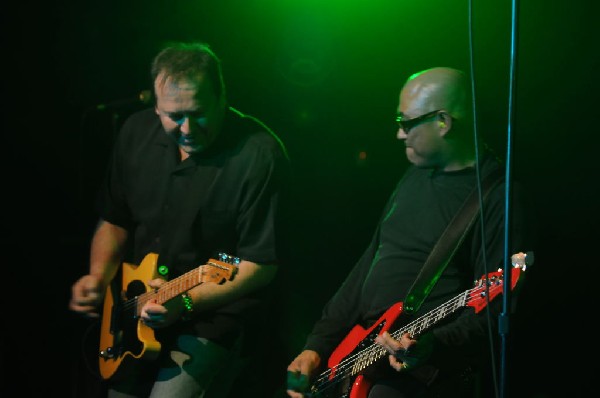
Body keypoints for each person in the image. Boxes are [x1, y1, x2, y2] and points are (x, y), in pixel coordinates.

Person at [286, 67, 530, 398]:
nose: (400, 135)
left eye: (406, 123)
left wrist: (432, 345)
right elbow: (369, 264)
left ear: (443, 122)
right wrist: (318, 344)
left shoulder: (497, 195)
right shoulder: (414, 175)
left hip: (422, 374)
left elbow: (495, 311)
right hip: (360, 354)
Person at [69, 41, 290, 398]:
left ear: (222, 99)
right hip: (134, 312)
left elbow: (261, 263)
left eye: (198, 112)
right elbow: (114, 219)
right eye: (174, 116)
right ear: (155, 107)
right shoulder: (134, 132)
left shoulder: (259, 154)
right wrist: (97, 277)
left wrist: (185, 303)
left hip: (216, 318)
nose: (187, 129)